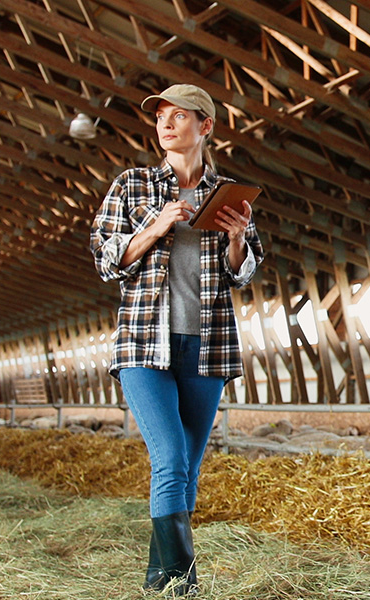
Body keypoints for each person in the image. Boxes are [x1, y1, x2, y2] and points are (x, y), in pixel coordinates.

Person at [90, 83, 263, 595]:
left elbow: (243, 273)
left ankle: (157, 581)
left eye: (180, 116)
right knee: (168, 457)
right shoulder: (134, 185)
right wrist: (155, 226)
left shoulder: (229, 195)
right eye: (161, 116)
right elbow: (104, 258)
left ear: (205, 126)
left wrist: (236, 239)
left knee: (187, 466)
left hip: (206, 347)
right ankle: (186, 582)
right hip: (145, 345)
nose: (166, 124)